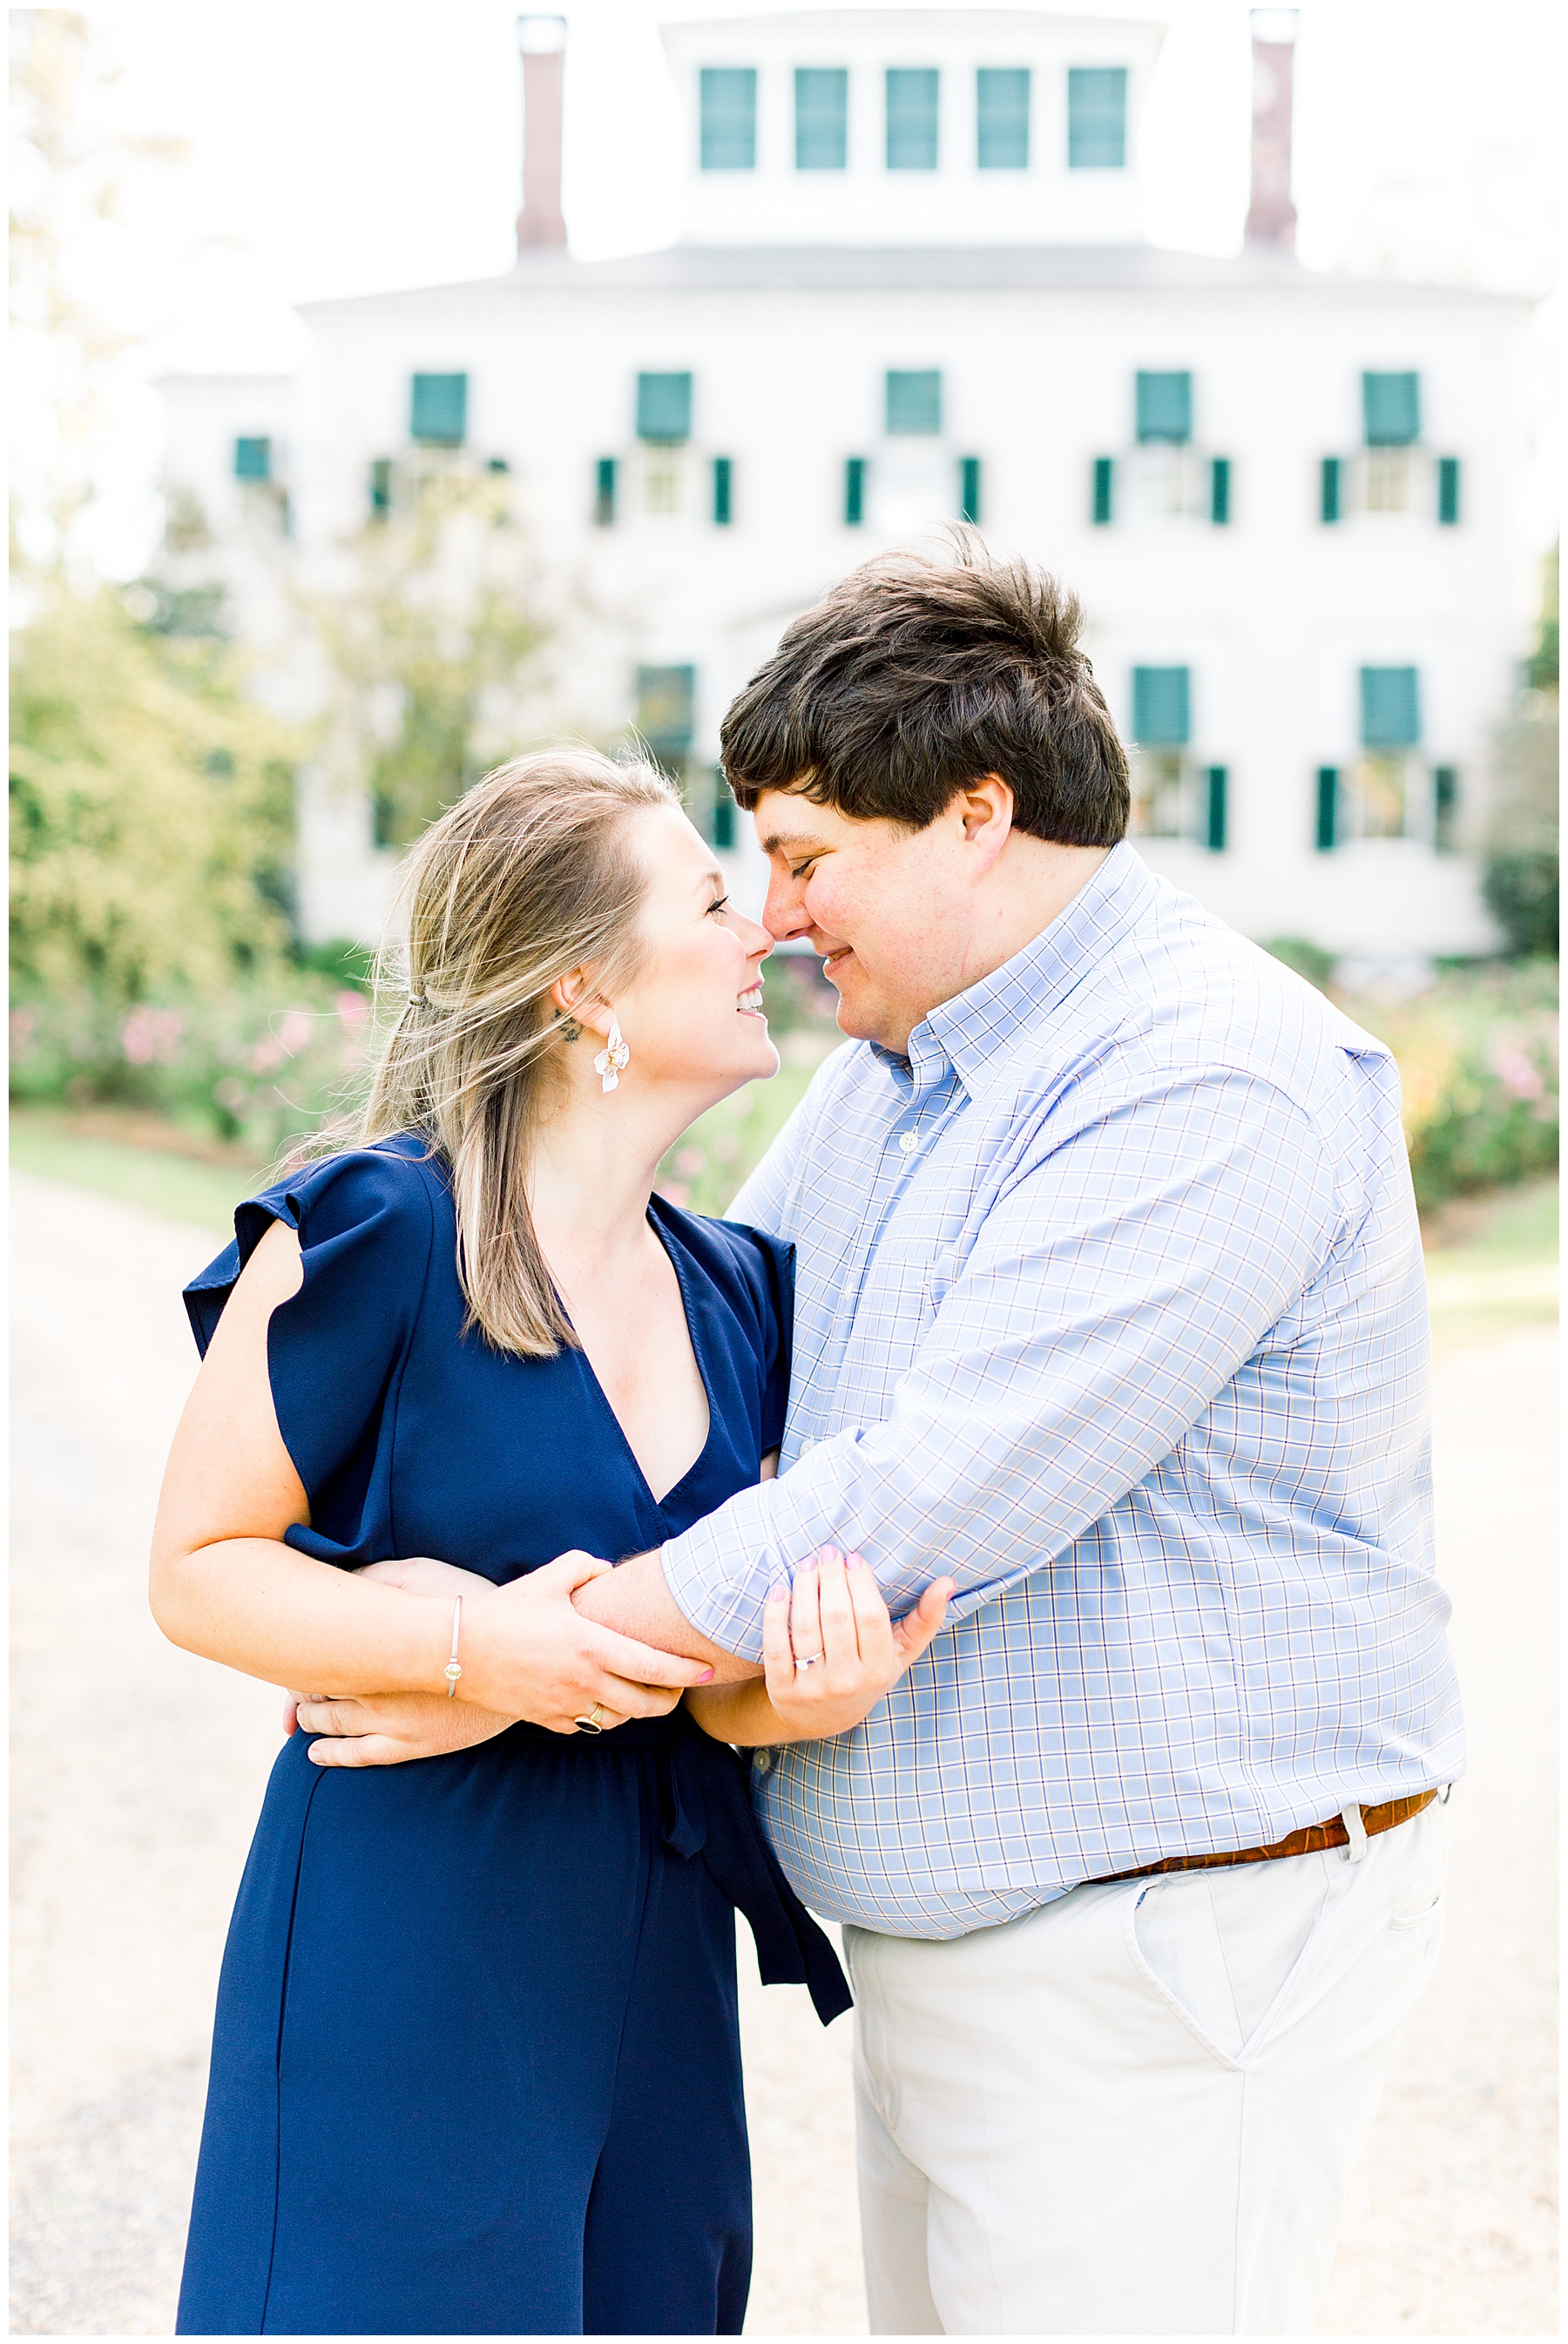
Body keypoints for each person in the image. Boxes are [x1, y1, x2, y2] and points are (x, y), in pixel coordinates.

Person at [325, 543, 1464, 2334]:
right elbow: (730, 1389)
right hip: (975, 1969)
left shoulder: (1208, 1073)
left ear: (977, 816)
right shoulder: (896, 1075)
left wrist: (510, 1662)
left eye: (803, 858)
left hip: (1167, 1969)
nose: (771, 916)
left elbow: (922, 1493)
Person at [149, 749, 952, 2338]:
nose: (765, 936)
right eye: (716, 902)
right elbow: (195, 1564)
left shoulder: (738, 1293)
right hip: (413, 1938)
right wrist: (469, 1650)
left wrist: (807, 1697)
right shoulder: (375, 1233)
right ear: (583, 987)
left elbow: (708, 1679)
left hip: (655, 1959)